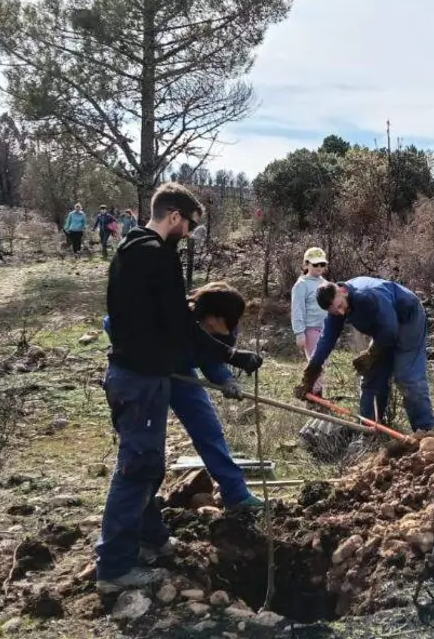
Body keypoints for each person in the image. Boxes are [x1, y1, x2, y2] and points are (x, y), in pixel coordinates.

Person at [95, 182, 263, 594]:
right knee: (137, 470)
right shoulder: (156, 256)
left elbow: (160, 323)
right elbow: (182, 326)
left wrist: (222, 367)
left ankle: (151, 539)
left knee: (146, 466)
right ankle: (114, 568)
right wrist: (232, 356)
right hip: (140, 379)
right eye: (188, 225)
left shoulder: (129, 249)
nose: (187, 234)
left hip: (133, 375)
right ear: (174, 216)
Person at [102, 281, 264, 514]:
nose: (222, 328)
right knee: (146, 447)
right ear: (210, 314)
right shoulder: (169, 314)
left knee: (208, 429)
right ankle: (142, 511)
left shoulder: (226, 328)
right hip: (145, 376)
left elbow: (211, 355)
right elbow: (112, 322)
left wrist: (226, 380)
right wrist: (144, 353)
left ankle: (236, 494)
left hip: (182, 375)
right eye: (217, 321)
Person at [293, 277, 434, 432]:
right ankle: (369, 432)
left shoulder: (367, 296)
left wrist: (371, 354)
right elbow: (326, 341)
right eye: (335, 311)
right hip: (383, 329)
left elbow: (390, 330)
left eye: (340, 306)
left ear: (342, 291)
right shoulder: (337, 306)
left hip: (408, 318)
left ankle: (426, 430)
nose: (341, 312)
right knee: (371, 377)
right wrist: (310, 375)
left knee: (407, 376)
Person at [291, 248, 329, 396]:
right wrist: (299, 332)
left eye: (322, 264)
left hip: (325, 328)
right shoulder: (302, 284)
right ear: (306, 265)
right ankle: (314, 393)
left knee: (323, 361)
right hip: (310, 329)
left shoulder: (325, 283)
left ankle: (316, 391)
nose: (319, 267)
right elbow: (297, 309)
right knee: (316, 361)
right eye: (315, 264)